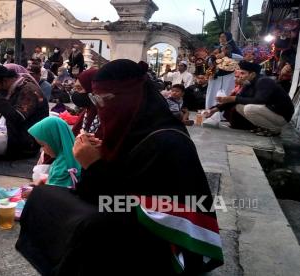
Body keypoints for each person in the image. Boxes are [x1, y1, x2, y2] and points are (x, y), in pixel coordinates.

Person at [17, 59, 223, 275]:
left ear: (131, 97)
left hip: (165, 238)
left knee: (93, 226)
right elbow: (100, 191)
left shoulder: (168, 141)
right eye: (95, 99)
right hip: (122, 211)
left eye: (104, 99)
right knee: (44, 196)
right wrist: (93, 160)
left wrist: (94, 164)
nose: (100, 107)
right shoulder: (125, 129)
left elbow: (139, 207)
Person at [206, 61, 294, 136]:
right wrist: (213, 110)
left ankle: (275, 129)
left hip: (281, 116)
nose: (240, 76)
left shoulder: (264, 81)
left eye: (243, 73)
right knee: (239, 107)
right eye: (239, 73)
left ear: (252, 74)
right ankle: (263, 127)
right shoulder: (248, 83)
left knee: (249, 108)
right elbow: (238, 99)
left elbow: (259, 101)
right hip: (269, 112)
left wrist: (233, 98)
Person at [71, 68, 101, 137]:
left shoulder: (103, 117)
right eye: (75, 88)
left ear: (92, 88)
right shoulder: (86, 112)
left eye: (79, 88)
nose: (76, 93)